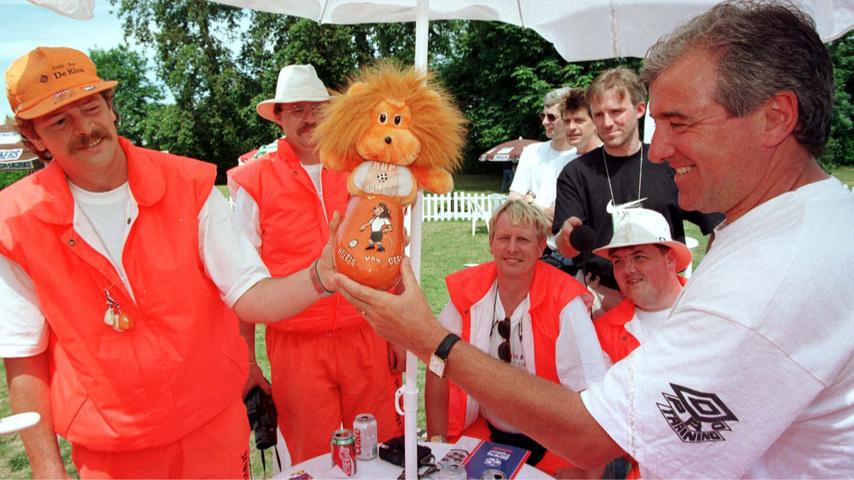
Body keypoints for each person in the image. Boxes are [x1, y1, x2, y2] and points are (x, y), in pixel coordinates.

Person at [334, 1, 854, 477]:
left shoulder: (777, 272)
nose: (657, 150)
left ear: (775, 118)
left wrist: (431, 340)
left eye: (679, 123)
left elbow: (595, 436)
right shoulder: (798, 225)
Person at [0, 47, 343, 478]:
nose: (84, 128)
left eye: (90, 107)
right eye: (58, 120)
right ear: (34, 137)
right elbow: (23, 357)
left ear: (111, 110)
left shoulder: (188, 184)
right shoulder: (15, 222)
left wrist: (320, 276)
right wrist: (48, 469)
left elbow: (250, 294)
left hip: (212, 427)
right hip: (113, 450)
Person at [227, 64, 403, 465]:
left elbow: (389, 252)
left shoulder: (364, 168)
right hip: (297, 347)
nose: (309, 119)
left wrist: (394, 332)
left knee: (379, 449)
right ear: (279, 116)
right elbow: (242, 283)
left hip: (367, 334)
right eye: (296, 109)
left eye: (317, 108)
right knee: (311, 458)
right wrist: (248, 362)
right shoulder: (252, 181)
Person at [424, 199, 606, 477]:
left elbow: (592, 394)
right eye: (504, 238)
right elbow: (437, 364)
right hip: (485, 429)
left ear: (541, 246)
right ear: (491, 243)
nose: (511, 248)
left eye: (522, 239)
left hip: (556, 438)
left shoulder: (565, 301)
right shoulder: (467, 291)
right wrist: (436, 443)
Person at [552, 67, 721, 317]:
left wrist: (704, 281)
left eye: (616, 112)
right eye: (598, 115)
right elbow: (565, 249)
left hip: (665, 301)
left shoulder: (669, 164)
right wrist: (566, 237)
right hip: (601, 296)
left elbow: (720, 226)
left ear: (640, 109)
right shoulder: (576, 174)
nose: (607, 123)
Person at [590, 207, 693, 478]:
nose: (628, 270)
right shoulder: (603, 332)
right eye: (618, 261)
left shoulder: (710, 314)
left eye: (639, 256)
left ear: (670, 260)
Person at [509, 87, 576, 226]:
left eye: (551, 117)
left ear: (568, 118)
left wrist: (530, 201)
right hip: (533, 240)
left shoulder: (580, 157)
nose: (544, 122)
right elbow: (513, 200)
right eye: (543, 115)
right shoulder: (530, 152)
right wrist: (541, 209)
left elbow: (564, 216)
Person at [562, 87, 602, 156]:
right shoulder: (564, 163)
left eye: (579, 120)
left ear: (595, 122)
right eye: (567, 121)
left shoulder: (613, 159)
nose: (571, 127)